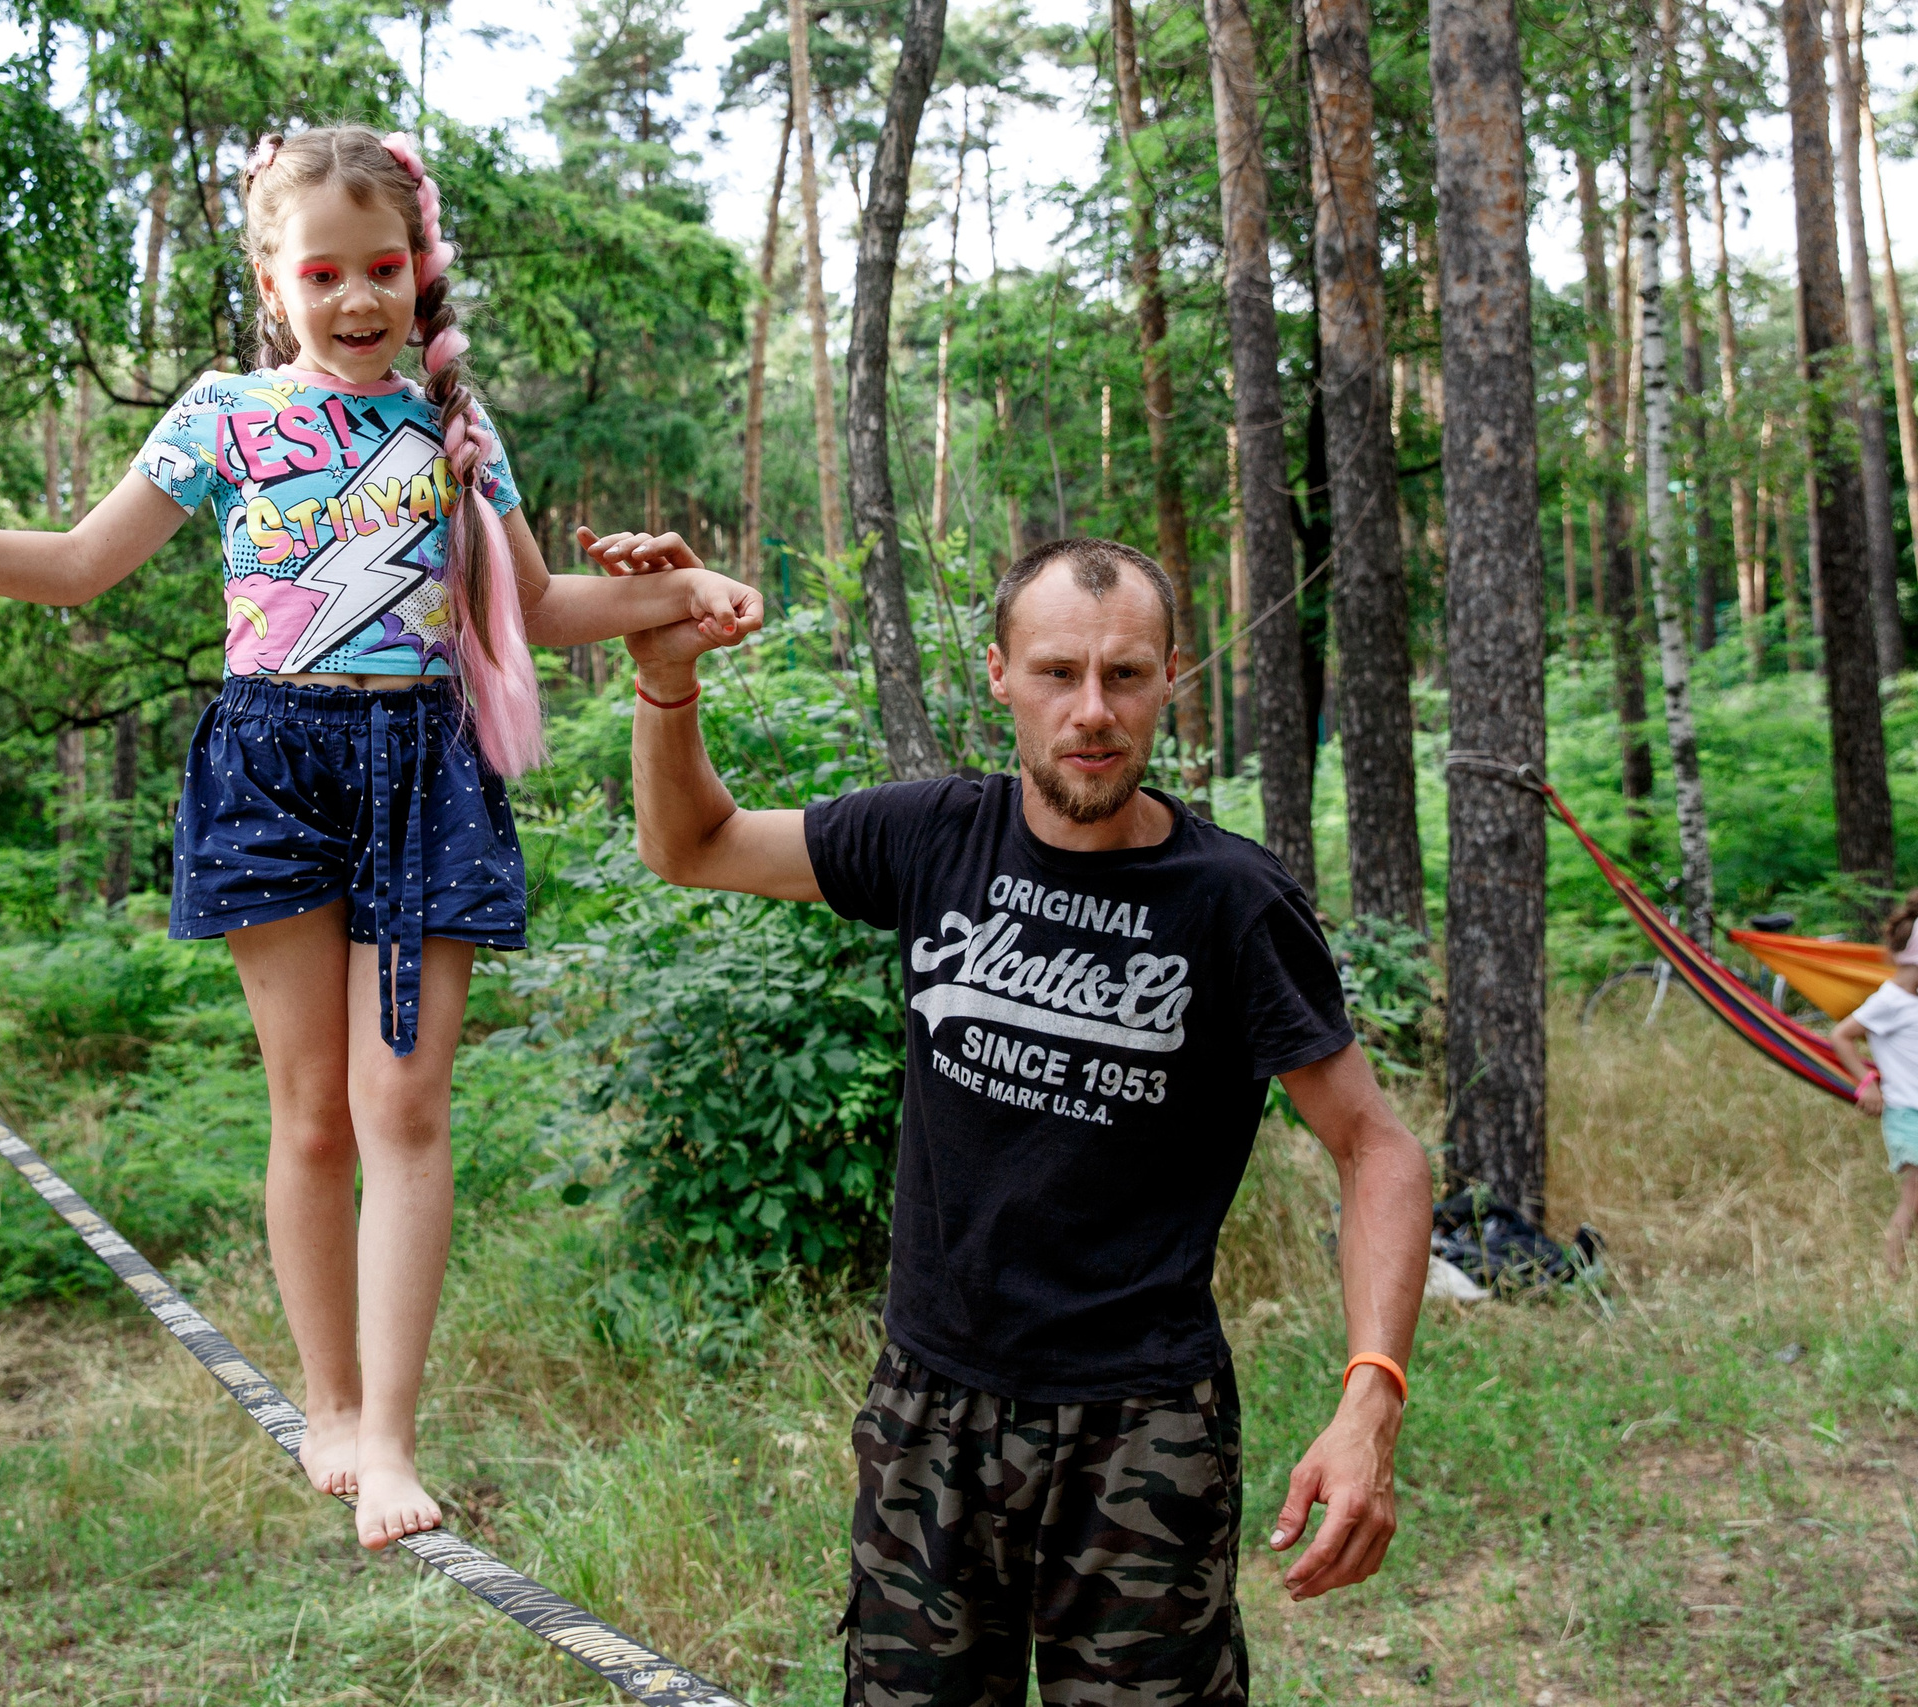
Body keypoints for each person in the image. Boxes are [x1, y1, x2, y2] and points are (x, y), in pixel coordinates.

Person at [0, 124, 762, 1550]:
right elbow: (76, 565)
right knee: (309, 1113)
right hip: (272, 758)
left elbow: (537, 612)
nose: (359, 297)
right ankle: (333, 1402)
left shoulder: (455, 429)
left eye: (385, 267)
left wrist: (687, 597)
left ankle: (399, 1432)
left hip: (422, 763)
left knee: (406, 1108)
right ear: (270, 275)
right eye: (325, 271)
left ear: (419, 271)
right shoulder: (225, 414)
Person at [595, 530, 1432, 1702]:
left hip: (1144, 1423)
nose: (1091, 710)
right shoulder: (933, 836)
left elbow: (1375, 1145)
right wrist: (666, 678)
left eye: (1125, 675)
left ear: (1171, 681)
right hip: (931, 1406)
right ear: (999, 675)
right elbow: (690, 845)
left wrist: (1370, 1397)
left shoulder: (1232, 903)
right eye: (1056, 672)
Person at [1830, 890, 1918, 1277]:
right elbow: (1841, 1035)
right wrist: (1867, 1084)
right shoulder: (1888, 1000)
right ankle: (1891, 1273)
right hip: (1911, 1112)